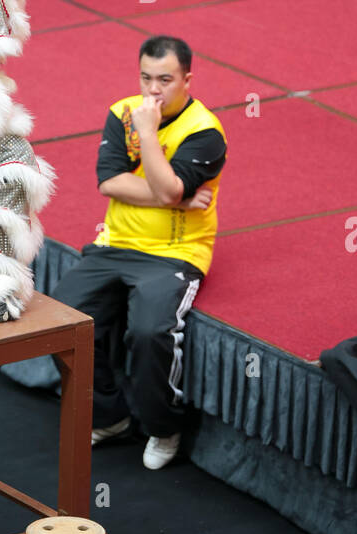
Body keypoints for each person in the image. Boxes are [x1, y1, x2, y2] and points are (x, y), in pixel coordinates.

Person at [51, 34, 227, 470]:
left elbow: (167, 187)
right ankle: (109, 417)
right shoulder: (120, 112)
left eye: (165, 80)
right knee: (61, 317)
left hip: (174, 253)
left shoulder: (205, 132)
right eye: (146, 78)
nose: (153, 90)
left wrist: (149, 137)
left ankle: (164, 427)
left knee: (150, 332)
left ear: (187, 79)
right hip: (115, 244)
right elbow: (109, 182)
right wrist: (176, 197)